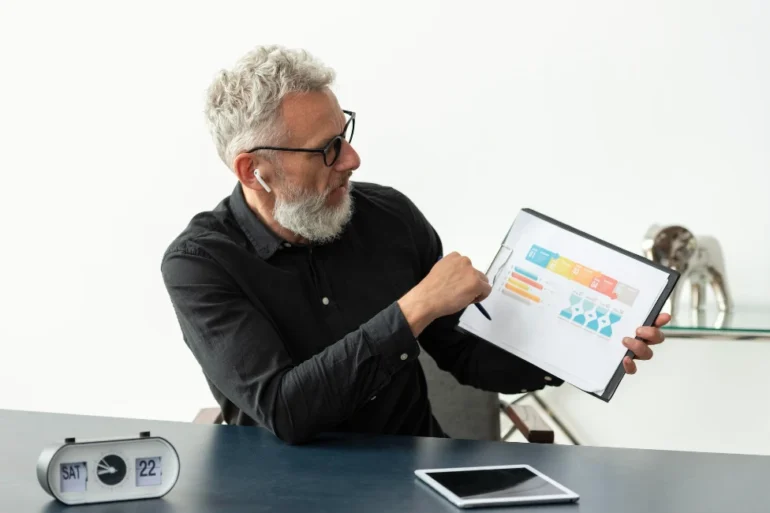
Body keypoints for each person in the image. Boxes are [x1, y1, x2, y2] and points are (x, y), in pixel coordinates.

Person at [161, 45, 669, 445]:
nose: (352, 158)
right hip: (282, 492)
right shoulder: (200, 265)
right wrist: (418, 305)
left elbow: (464, 354)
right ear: (255, 170)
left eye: (346, 133)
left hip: (414, 475)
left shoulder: (389, 218)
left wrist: (584, 351)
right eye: (327, 149)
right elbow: (287, 410)